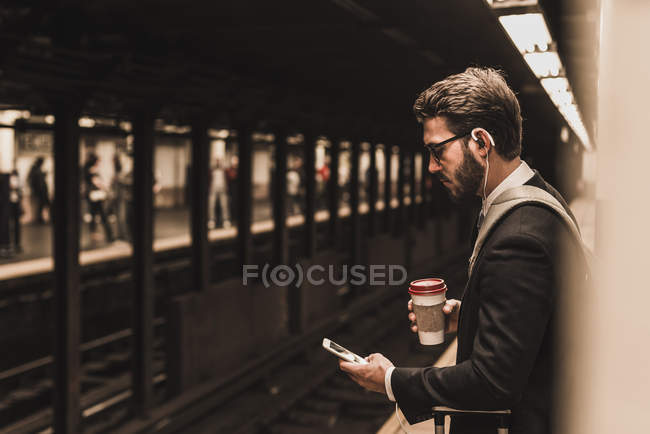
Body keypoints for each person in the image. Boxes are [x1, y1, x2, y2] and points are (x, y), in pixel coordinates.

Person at [339, 67, 587, 434]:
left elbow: (492, 381)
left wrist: (391, 380)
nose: (431, 166)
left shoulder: (520, 238)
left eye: (438, 151)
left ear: (481, 143)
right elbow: (537, 321)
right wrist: (470, 317)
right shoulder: (540, 197)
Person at [83, 153, 114, 243]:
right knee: (103, 215)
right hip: (96, 195)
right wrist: (107, 189)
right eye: (98, 161)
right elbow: (97, 182)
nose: (99, 163)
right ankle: (110, 235)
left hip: (91, 196)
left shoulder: (86, 169)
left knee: (93, 214)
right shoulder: (92, 170)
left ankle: (93, 233)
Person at [27, 156, 50, 224]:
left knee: (41, 205)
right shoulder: (35, 170)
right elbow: (35, 181)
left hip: (40, 191)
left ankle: (40, 218)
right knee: (39, 205)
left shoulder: (36, 170)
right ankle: (38, 218)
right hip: (39, 191)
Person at [9, 169, 23, 253]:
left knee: (16, 225)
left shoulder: (17, 182)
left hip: (14, 204)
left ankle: (16, 243)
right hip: (11, 204)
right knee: (13, 225)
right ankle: (15, 243)